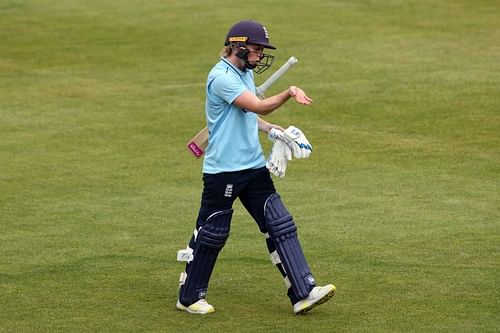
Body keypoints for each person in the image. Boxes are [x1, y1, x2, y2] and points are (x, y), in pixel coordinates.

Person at [176, 20, 335, 315]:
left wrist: (272, 131)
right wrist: (288, 93)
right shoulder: (221, 77)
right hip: (223, 170)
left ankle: (304, 291)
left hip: (252, 166)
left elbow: (248, 114)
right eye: (256, 49)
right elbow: (256, 105)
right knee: (213, 232)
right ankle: (189, 296)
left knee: (280, 223)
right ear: (237, 46)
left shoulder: (243, 73)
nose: (259, 56)